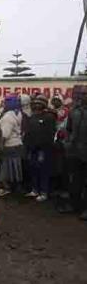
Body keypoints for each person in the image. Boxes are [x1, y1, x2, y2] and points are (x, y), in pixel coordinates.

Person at [24, 94, 56, 202]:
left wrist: (44, 148)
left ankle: (44, 192)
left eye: (39, 103)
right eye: (36, 103)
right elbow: (28, 132)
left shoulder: (49, 117)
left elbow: (50, 135)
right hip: (32, 148)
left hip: (44, 149)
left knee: (43, 171)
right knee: (33, 169)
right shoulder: (32, 117)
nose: (37, 105)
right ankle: (35, 190)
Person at [64, 85, 87, 220]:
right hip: (74, 152)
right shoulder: (74, 111)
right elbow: (69, 129)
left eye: (85, 94)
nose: (83, 97)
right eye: (81, 94)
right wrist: (68, 143)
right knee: (75, 181)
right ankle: (74, 205)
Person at [0, 94, 23, 197]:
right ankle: (13, 188)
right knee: (14, 169)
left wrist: (0, 146)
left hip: (9, 145)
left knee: (5, 169)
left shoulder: (8, 117)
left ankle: (6, 188)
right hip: (17, 144)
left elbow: (5, 134)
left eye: (5, 102)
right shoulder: (17, 113)